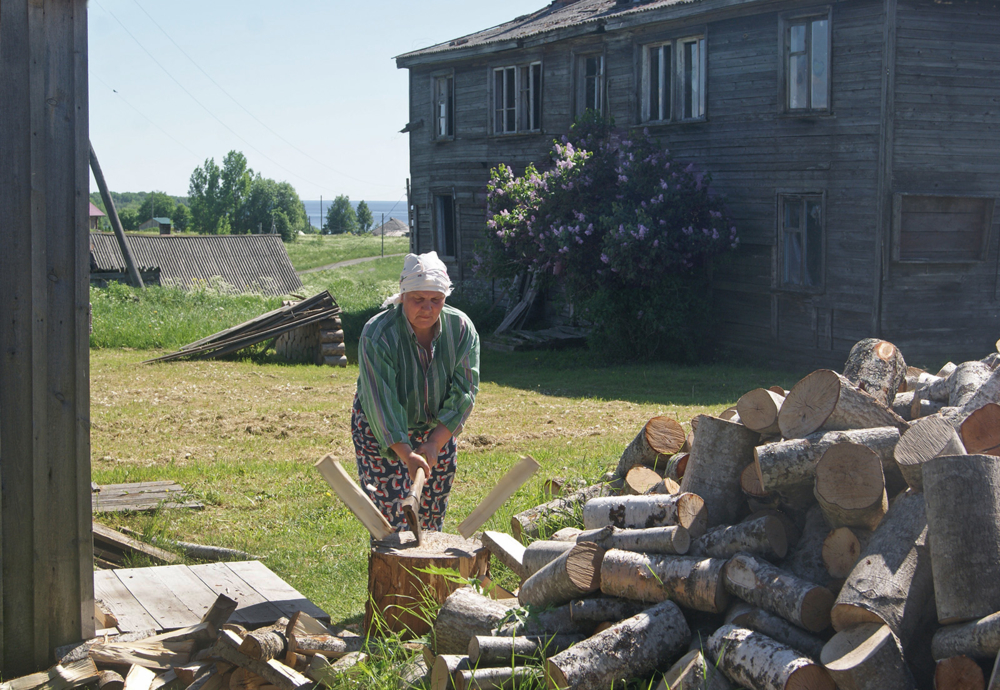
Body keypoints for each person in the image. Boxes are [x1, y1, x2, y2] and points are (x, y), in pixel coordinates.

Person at [352, 251, 480, 533]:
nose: (427, 309)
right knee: (390, 523)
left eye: (436, 300)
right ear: (402, 296)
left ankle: (427, 576)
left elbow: (464, 392)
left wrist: (435, 442)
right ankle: (394, 575)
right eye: (418, 300)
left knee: (431, 518)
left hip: (437, 430)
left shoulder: (461, 330)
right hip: (381, 431)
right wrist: (406, 454)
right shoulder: (378, 333)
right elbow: (380, 401)